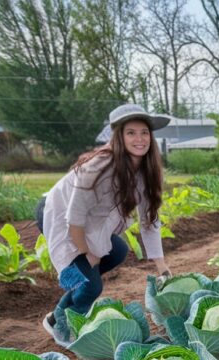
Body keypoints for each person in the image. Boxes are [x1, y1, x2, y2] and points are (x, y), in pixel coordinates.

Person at [36, 103, 173, 344]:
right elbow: (74, 219)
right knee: (92, 286)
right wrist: (89, 254)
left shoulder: (144, 170)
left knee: (118, 250)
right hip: (58, 215)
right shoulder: (98, 168)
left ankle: (62, 312)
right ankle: (62, 327)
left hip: (88, 222)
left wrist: (162, 266)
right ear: (119, 136)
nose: (139, 139)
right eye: (131, 132)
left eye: (144, 132)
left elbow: (149, 220)